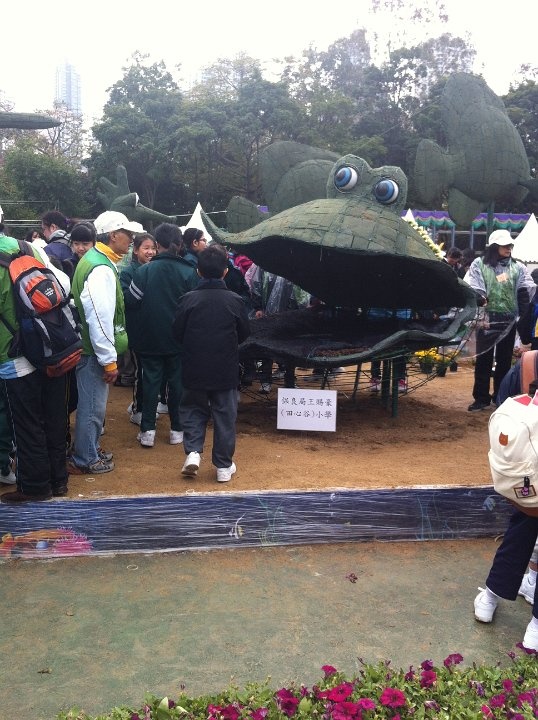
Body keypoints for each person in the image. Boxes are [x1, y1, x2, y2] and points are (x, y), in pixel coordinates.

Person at [0, 220, 71, 503]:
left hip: (14, 354)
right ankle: (58, 480)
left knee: (26, 424)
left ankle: (34, 486)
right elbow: (62, 285)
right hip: (50, 345)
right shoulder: (30, 248)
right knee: (54, 417)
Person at [67, 210, 142, 475]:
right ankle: (85, 458)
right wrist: (109, 360)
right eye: (128, 234)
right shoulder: (100, 267)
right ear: (113, 235)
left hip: (91, 349)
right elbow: (99, 318)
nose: (131, 239)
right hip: (93, 352)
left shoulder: (96, 260)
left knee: (92, 406)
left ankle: (88, 448)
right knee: (92, 407)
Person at [173, 244, 251, 482]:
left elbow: (177, 333)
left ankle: (193, 452)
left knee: (192, 410)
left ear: (198, 271)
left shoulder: (188, 300)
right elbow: (244, 333)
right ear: (226, 271)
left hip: (194, 366)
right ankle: (223, 467)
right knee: (225, 416)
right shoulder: (235, 300)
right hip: (225, 369)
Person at [125, 223, 198, 448]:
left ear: (157, 245)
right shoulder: (189, 272)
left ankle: (147, 431)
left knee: (150, 382)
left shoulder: (144, 271)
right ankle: (177, 430)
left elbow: (131, 301)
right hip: (179, 339)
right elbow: (193, 307)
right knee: (177, 383)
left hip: (149, 337)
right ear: (180, 244)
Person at [464, 229, 535, 411]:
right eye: (505, 245)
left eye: (510, 245)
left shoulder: (517, 267)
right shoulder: (479, 264)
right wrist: (481, 306)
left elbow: (524, 289)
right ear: (495, 246)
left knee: (504, 360)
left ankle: (500, 396)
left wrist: (522, 316)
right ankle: (481, 398)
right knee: (484, 360)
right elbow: (476, 287)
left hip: (508, 320)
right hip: (487, 320)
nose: (508, 248)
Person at [119, 233, 157, 425]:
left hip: (153, 329)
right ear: (135, 250)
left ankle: (143, 405)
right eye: (146, 248)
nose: (150, 252)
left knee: (149, 372)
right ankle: (138, 408)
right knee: (140, 372)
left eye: (153, 248)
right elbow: (126, 300)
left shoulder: (156, 269)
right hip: (136, 330)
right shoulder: (128, 272)